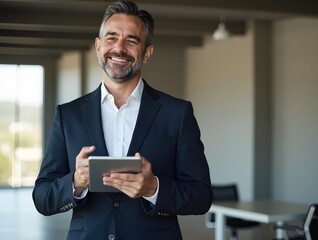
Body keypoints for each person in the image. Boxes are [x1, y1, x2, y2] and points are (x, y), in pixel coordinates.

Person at [32, 1, 212, 239]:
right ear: (98, 46)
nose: (119, 48)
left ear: (146, 52)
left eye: (132, 40)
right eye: (111, 37)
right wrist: (76, 182)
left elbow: (201, 196)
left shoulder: (177, 113)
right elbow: (42, 198)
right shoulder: (69, 115)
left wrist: (153, 188)